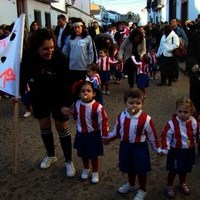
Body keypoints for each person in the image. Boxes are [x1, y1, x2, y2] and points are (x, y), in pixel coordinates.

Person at [20, 28, 75, 177]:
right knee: (44, 125)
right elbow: (22, 76)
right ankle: (51, 154)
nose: (50, 51)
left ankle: (68, 161)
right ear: (36, 48)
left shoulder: (60, 58)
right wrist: (17, 94)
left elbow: (67, 84)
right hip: (39, 95)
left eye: (52, 47)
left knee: (61, 126)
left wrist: (66, 104)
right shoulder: (29, 57)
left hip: (58, 95)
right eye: (45, 49)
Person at [104, 88, 160, 200]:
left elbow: (152, 136)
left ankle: (143, 190)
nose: (134, 106)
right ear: (125, 103)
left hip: (140, 147)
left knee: (141, 169)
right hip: (125, 146)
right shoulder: (121, 116)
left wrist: (158, 149)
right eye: (131, 103)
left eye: (138, 103)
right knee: (129, 167)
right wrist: (109, 138)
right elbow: (117, 132)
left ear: (142, 104)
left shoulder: (146, 119)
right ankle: (131, 184)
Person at [62, 81, 109, 184]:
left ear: (94, 93)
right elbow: (75, 116)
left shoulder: (98, 107)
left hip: (93, 134)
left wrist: (104, 135)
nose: (86, 93)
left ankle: (95, 172)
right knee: (83, 153)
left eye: (89, 91)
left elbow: (104, 120)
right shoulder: (77, 104)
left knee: (93, 155)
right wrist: (68, 113)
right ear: (79, 94)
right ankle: (86, 168)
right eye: (83, 91)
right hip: (81, 134)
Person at [160, 97, 198, 198]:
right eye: (179, 111)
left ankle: (182, 183)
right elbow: (165, 136)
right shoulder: (171, 124)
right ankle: (169, 186)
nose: (182, 114)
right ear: (176, 110)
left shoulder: (194, 122)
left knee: (185, 169)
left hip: (189, 150)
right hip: (176, 151)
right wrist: (165, 148)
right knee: (173, 170)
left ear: (191, 111)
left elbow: (197, 134)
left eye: (185, 112)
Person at [62, 18, 94, 100]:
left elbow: (91, 52)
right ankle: (73, 102)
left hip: (83, 67)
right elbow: (65, 51)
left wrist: (89, 64)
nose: (77, 29)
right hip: (72, 67)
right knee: (72, 87)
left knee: (82, 87)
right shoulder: (70, 38)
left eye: (78, 27)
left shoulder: (88, 38)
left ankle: (83, 101)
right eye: (75, 28)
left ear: (82, 27)